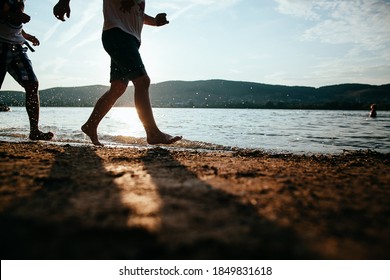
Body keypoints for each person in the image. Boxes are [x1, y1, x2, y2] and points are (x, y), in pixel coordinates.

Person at [54, 0, 182, 146]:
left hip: (127, 38)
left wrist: (155, 21)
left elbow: (137, 12)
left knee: (118, 88)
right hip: (117, 34)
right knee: (142, 81)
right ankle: (152, 133)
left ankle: (91, 125)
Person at [0, 0, 54, 140]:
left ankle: (34, 131)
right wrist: (13, 16)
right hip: (1, 45)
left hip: (17, 47)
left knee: (32, 84)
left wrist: (27, 36)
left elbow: (16, 26)